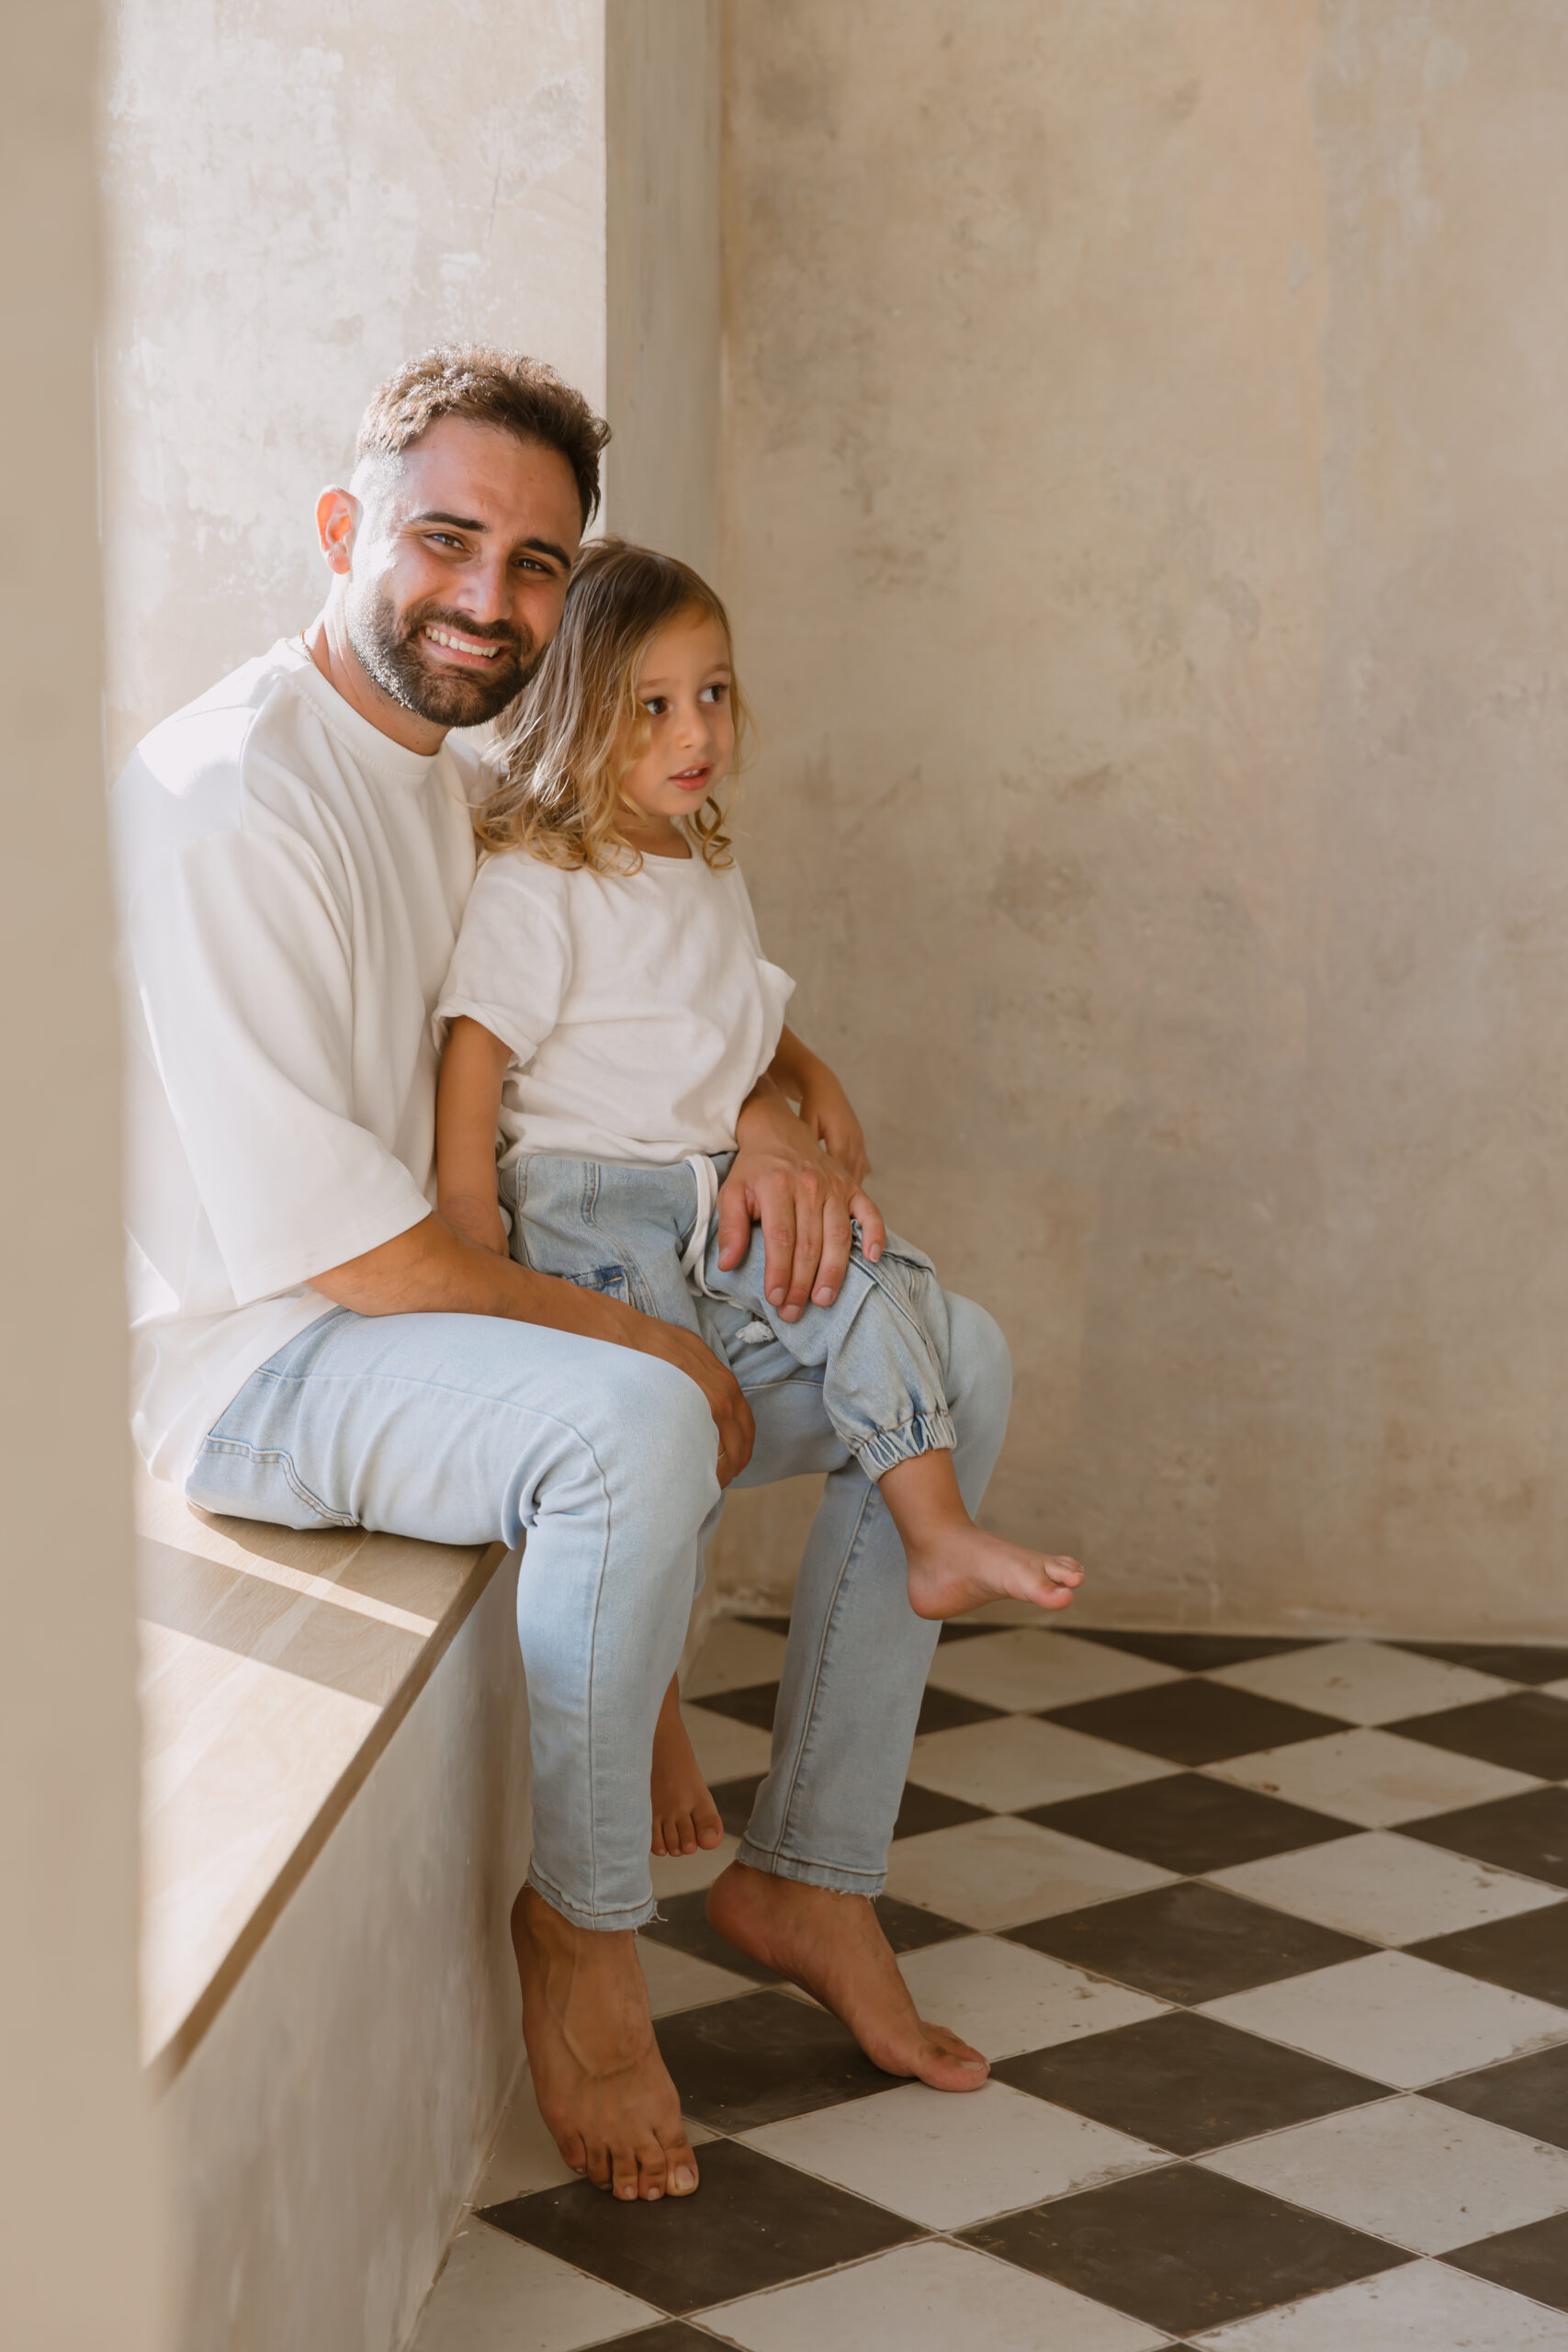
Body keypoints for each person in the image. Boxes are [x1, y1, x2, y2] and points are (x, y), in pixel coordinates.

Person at [111, 345, 1029, 2211]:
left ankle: (811, 1873)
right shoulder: (228, 796)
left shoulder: (450, 776)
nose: (486, 595)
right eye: (444, 539)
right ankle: (584, 1929)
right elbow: (359, 1249)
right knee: (632, 1425)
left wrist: (763, 1110)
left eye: (533, 562)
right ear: (342, 527)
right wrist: (641, 1337)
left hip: (447, 1304)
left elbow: (631, 983)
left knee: (962, 1354)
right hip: (271, 1356)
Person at [433, 538, 1085, 1857]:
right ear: (579, 714)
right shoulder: (542, 882)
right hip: (592, 1206)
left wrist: (806, 1072)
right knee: (664, 1446)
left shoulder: (701, 861)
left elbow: (725, 1016)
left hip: (704, 1192)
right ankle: (657, 1710)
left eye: (714, 694)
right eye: (653, 705)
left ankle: (934, 1526)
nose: (696, 733)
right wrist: (466, 1214)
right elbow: (476, 1051)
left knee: (875, 1283)